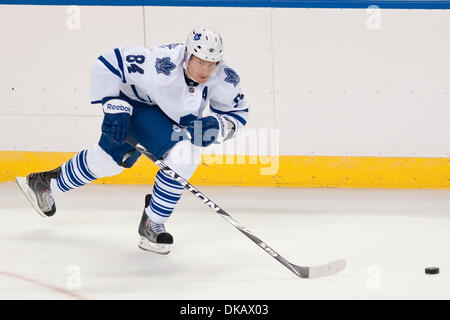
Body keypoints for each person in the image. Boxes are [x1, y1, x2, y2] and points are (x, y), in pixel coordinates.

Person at [15, 26, 249, 255]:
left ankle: (45, 183)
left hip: (167, 121)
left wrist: (219, 127)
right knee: (183, 153)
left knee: (107, 162)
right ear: (187, 54)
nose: (206, 70)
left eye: (212, 63)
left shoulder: (224, 78)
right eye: (200, 62)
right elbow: (108, 63)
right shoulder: (162, 62)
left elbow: (237, 114)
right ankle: (152, 223)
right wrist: (112, 104)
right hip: (136, 107)